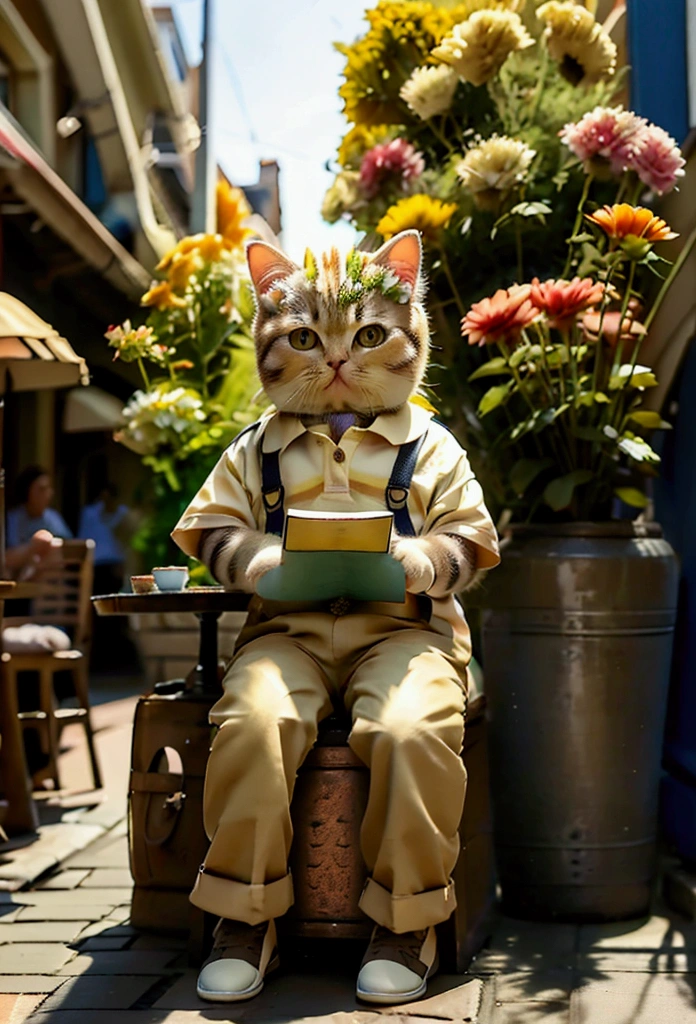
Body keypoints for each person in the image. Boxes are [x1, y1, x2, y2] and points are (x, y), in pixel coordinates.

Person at [172, 232, 500, 1006]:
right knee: (253, 720)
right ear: (271, 338)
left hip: (407, 633)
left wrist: (425, 559)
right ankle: (244, 917)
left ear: (410, 331)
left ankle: (408, 919)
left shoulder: (432, 444)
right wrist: (254, 559)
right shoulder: (257, 448)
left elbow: (473, 541)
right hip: (285, 634)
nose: (340, 362)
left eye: (369, 335)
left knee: (411, 728)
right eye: (307, 340)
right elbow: (211, 532)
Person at [7, 466, 71, 566]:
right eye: (42, 489)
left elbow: (68, 548)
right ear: (27, 491)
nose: (49, 494)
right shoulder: (11, 519)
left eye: (49, 488)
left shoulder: (53, 518)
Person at [78, 483, 129, 595]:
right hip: (96, 565)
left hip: (117, 565)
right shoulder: (90, 514)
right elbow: (83, 539)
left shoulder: (124, 514)